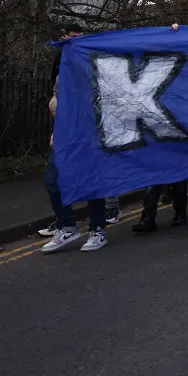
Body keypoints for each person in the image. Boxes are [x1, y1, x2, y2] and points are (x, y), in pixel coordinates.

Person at [40, 27, 109, 253]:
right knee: (53, 180)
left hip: (90, 135)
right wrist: (55, 131)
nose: (72, 42)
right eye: (69, 38)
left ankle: (98, 229)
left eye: (78, 39)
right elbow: (59, 105)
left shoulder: (95, 70)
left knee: (91, 181)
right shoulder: (61, 76)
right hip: (65, 137)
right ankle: (67, 226)